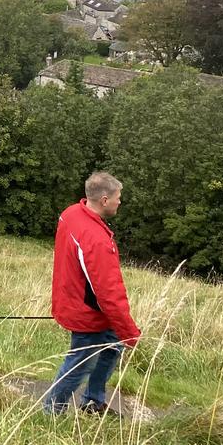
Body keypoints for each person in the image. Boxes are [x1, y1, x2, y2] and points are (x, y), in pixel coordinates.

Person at [42, 171, 141, 414]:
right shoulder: (95, 239)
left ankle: (93, 402)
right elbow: (108, 293)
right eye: (118, 197)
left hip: (77, 301)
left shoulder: (71, 213)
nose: (120, 202)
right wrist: (130, 333)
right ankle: (51, 412)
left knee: (112, 347)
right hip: (88, 313)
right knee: (79, 364)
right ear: (105, 200)